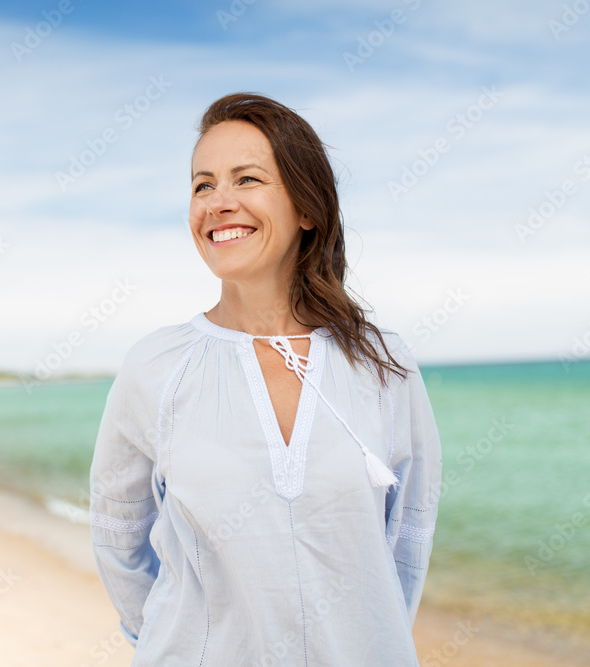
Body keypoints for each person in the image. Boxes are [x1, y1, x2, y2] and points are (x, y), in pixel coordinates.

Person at [89, 92, 442, 666]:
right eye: (203, 185)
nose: (218, 203)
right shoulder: (155, 367)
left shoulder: (382, 364)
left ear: (307, 208)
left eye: (246, 179)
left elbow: (409, 538)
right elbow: (118, 538)